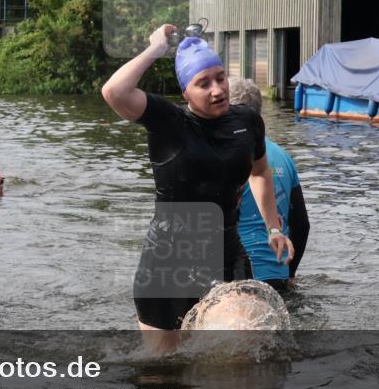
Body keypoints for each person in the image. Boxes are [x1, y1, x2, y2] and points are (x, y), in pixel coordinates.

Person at [101, 24, 294, 348]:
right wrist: (155, 48)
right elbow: (114, 92)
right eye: (203, 83)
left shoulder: (246, 121)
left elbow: (259, 171)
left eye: (220, 77)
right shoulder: (169, 123)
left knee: (245, 342)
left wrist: (273, 228)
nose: (217, 89)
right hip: (166, 263)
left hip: (225, 253)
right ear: (185, 92)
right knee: (163, 370)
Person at [229, 78, 310, 294]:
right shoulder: (284, 157)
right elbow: (301, 225)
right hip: (277, 272)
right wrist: (289, 273)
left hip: (238, 276)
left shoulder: (228, 155)